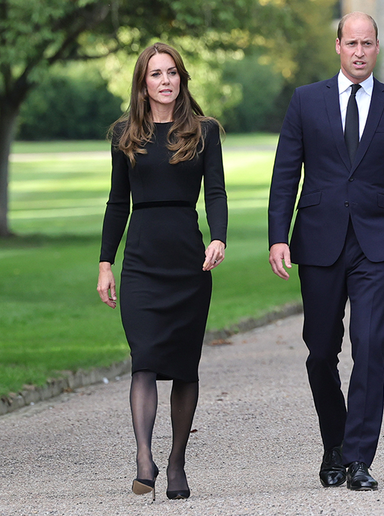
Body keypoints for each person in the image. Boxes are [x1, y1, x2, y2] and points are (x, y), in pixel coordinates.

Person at [267, 11, 384, 491]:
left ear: (378, 48)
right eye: (351, 43)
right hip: (317, 240)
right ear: (338, 46)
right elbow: (285, 174)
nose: (359, 51)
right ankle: (333, 443)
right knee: (320, 352)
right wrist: (278, 236)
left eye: (367, 43)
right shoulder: (305, 101)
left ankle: (358, 458)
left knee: (371, 346)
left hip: (375, 243)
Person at [97, 42, 227, 500]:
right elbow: (117, 203)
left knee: (185, 368)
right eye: (155, 74)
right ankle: (144, 459)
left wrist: (218, 237)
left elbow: (216, 193)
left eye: (172, 72)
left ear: (182, 78)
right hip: (141, 264)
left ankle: (176, 464)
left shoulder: (204, 131)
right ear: (143, 82)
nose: (165, 80)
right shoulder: (123, 134)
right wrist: (105, 263)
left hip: (188, 264)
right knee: (145, 360)